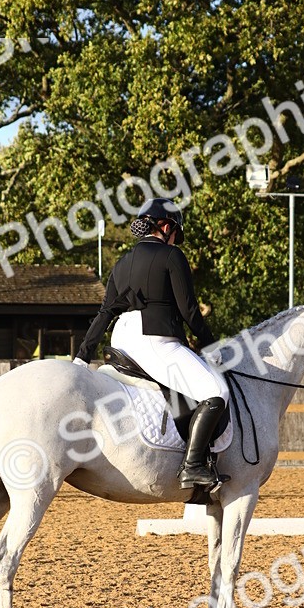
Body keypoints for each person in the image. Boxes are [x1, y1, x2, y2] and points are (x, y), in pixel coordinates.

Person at [73, 198, 229, 488]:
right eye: (175, 233)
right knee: (217, 390)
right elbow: (189, 311)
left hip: (122, 338)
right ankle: (193, 465)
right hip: (155, 338)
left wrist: (82, 356)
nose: (175, 240)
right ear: (167, 226)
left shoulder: (121, 263)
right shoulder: (172, 256)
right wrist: (210, 347)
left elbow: (106, 311)